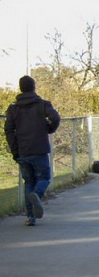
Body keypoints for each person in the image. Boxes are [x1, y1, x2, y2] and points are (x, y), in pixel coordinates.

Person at [3, 75, 61, 226]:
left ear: (20, 88)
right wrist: (49, 129)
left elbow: (8, 130)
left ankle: (30, 217)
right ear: (34, 87)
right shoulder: (42, 104)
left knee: (28, 181)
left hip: (23, 150)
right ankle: (37, 194)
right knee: (44, 177)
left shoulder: (13, 108)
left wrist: (15, 150)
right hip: (40, 148)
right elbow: (55, 118)